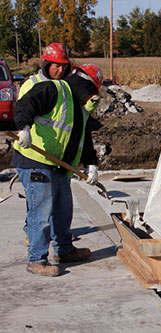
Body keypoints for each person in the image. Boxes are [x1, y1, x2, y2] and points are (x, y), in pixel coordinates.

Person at [11, 64, 103, 277]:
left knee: (63, 210)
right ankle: (37, 259)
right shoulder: (54, 89)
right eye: (91, 94)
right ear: (84, 86)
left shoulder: (79, 109)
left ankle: (64, 250)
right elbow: (27, 104)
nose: (90, 99)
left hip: (60, 166)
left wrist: (92, 165)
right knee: (41, 212)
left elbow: (84, 139)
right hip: (37, 160)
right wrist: (24, 127)